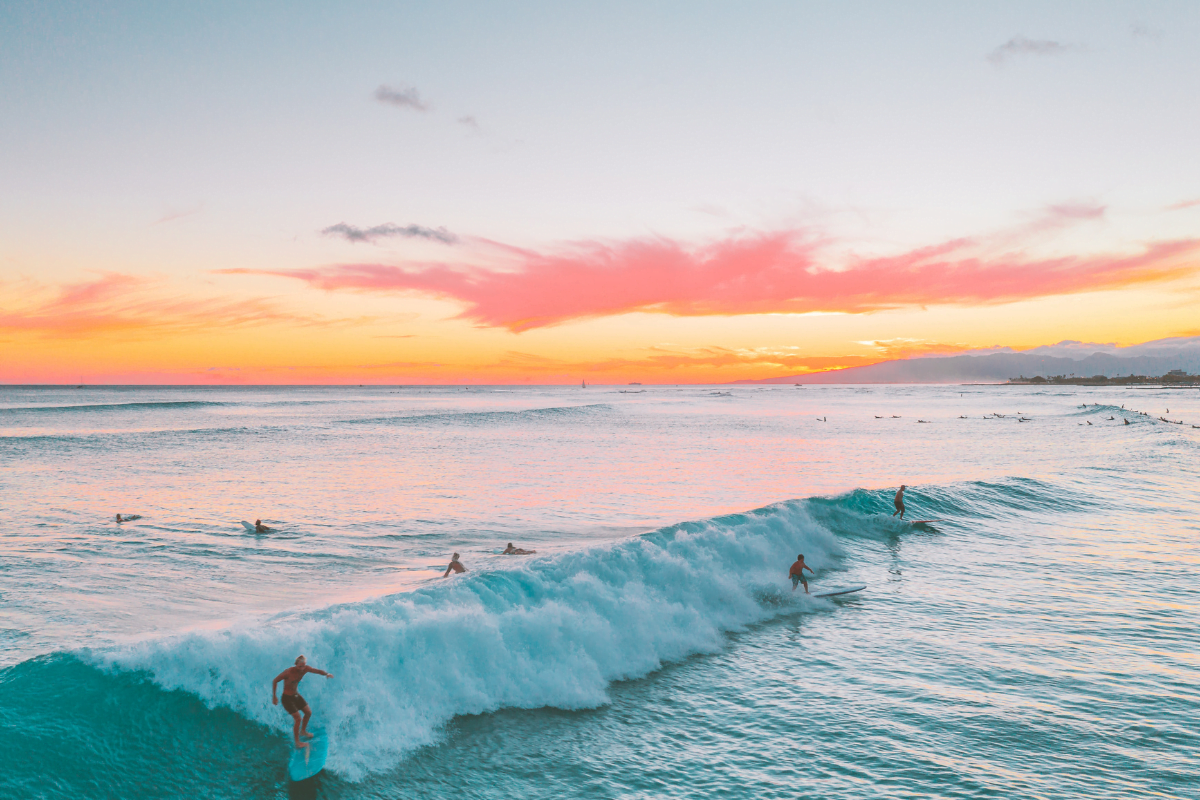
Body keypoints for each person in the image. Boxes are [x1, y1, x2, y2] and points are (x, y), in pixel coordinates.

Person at [271, 655, 334, 749]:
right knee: (298, 719)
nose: (302, 668)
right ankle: (297, 742)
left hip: (295, 695)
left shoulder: (305, 669)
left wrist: (326, 674)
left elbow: (317, 671)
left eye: (303, 666)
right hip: (287, 698)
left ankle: (303, 731)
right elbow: (275, 681)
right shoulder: (288, 672)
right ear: (295, 665)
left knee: (308, 712)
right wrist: (274, 696)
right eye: (300, 666)